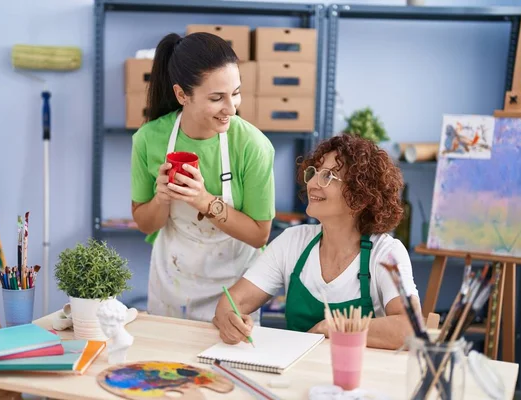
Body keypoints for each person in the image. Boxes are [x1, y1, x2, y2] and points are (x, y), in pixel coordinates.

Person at [213, 133, 421, 350]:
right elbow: (233, 302)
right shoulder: (292, 242)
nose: (312, 183)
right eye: (314, 173)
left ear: (361, 196)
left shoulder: (386, 253)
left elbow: (408, 328)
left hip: (355, 377)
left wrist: (333, 327)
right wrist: (229, 319)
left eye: (328, 177)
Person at [131, 32, 275, 323]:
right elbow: (145, 223)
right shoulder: (149, 139)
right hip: (172, 286)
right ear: (182, 95)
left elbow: (260, 234)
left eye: (235, 92)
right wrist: (161, 199)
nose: (231, 108)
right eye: (216, 98)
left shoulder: (252, 145)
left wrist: (203, 200)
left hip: (234, 291)